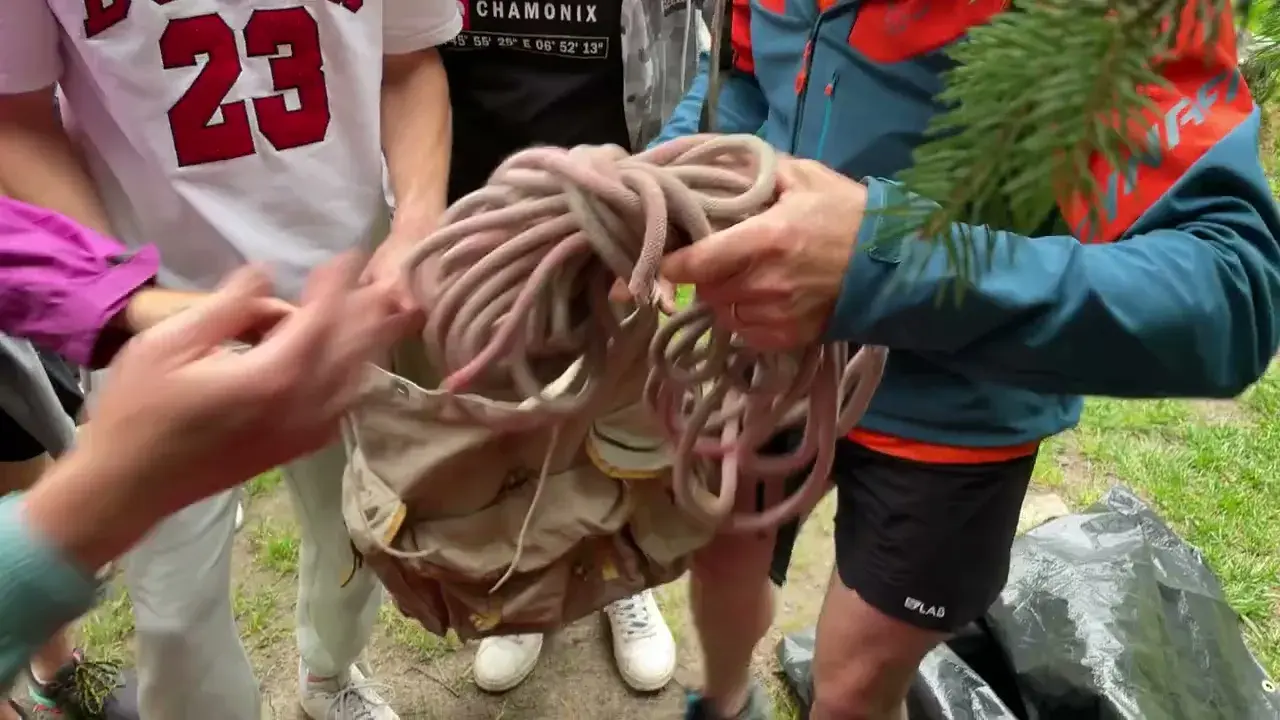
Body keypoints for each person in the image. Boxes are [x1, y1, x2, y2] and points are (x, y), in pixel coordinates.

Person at [652, 3, 1280, 720]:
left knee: (855, 682)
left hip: (961, 413)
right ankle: (727, 703)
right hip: (766, 351)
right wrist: (666, 181)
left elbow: (1234, 289)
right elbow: (743, 75)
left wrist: (887, 262)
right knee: (723, 558)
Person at [0, 0, 461, 716]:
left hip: (343, 285)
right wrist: (122, 292)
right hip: (151, 305)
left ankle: (329, 676)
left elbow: (406, 62)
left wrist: (418, 227)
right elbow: (16, 113)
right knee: (174, 610)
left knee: (359, 535)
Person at [0, 255, 410, 718]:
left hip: (283, 296)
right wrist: (105, 483)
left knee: (349, 532)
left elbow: (15, 237)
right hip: (149, 333)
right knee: (176, 616)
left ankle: (328, 676)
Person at [435, 0, 706, 693]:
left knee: (623, 410)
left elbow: (742, 36)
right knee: (510, 419)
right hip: (482, 208)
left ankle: (619, 580)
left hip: (622, 210)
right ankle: (531, 588)